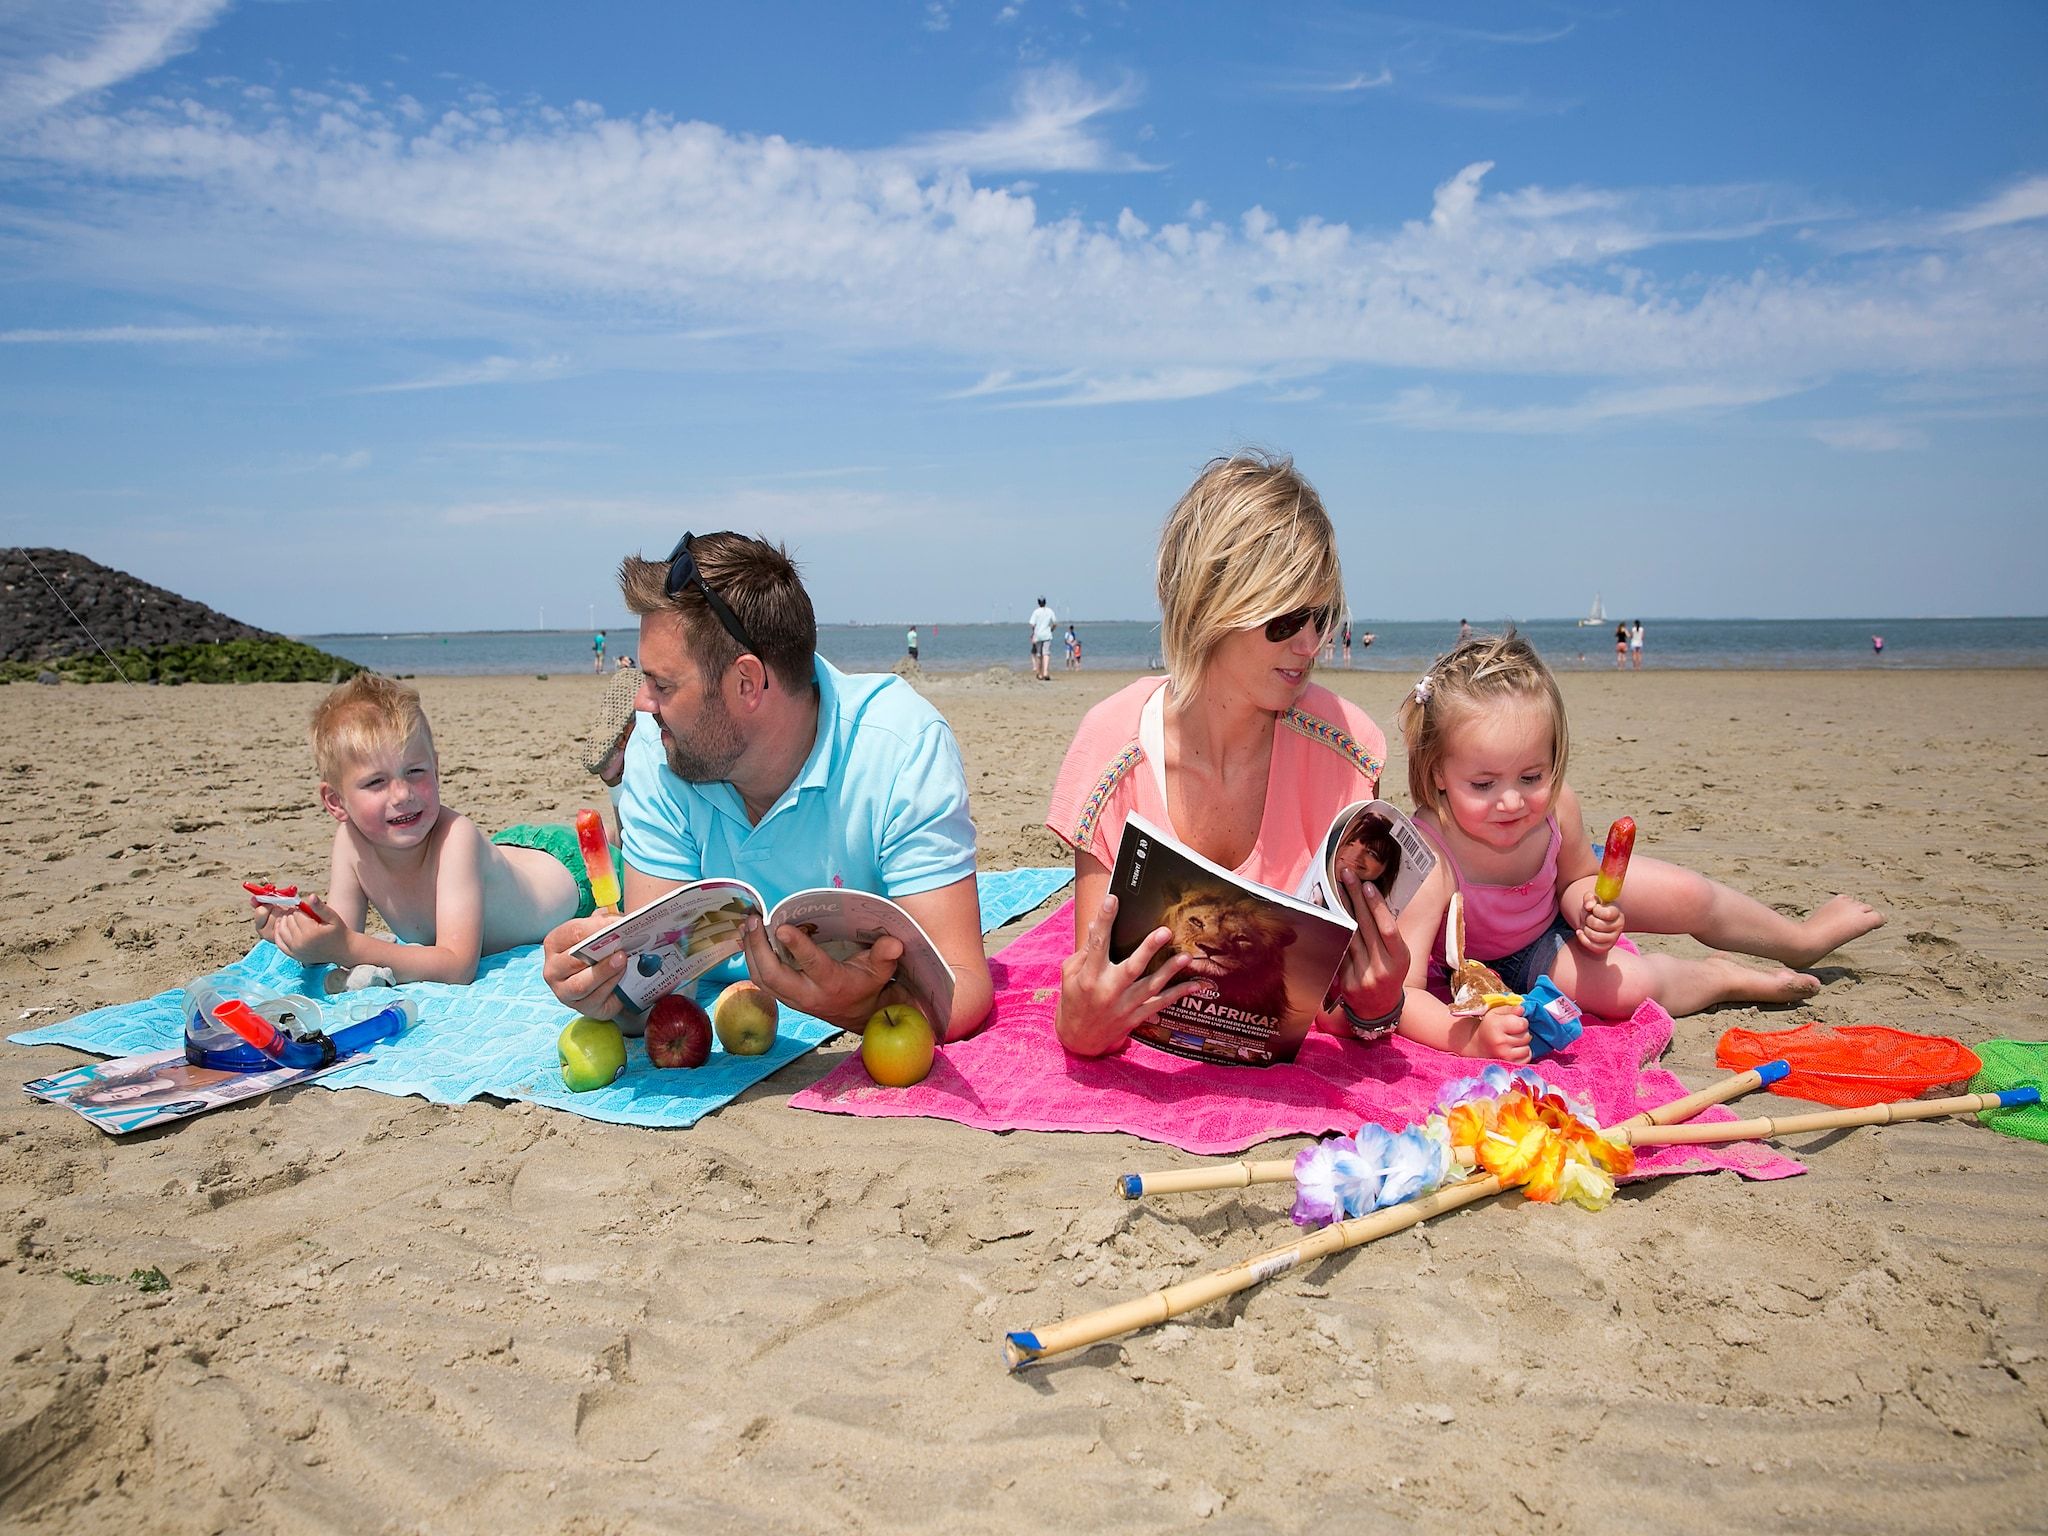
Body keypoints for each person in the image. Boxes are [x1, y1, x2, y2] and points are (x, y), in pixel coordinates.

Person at [542, 532, 994, 1042]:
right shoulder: (657, 747)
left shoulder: (899, 747)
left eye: (663, 685)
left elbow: (961, 989)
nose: (643, 704)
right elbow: (662, 989)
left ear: (746, 683)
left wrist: (867, 1006)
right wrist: (610, 993)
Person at [1044, 452, 1409, 1057]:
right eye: (1286, 619)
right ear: (1212, 604)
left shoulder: (1346, 752)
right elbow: (1094, 981)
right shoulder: (1114, 750)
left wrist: (1374, 1008)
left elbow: (1331, 1014)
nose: (1311, 643)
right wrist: (1081, 1028)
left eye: (1322, 617)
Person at [1389, 630, 1884, 1060]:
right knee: (1630, 988)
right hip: (1512, 954)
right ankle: (1719, 979)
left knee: (1689, 895)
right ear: (1438, 774)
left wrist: (1586, 905)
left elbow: (1579, 872)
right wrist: (1470, 1039)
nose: (1513, 801)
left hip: (1562, 894)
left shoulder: (1558, 805)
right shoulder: (1431, 855)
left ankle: (1798, 941)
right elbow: (1403, 992)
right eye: (1483, 785)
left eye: (1532, 775)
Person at [253, 674, 585, 985]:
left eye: (415, 771)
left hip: (571, 871)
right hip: (501, 859)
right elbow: (340, 933)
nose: (402, 794)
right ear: (336, 801)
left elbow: (457, 966)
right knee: (496, 861)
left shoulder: (456, 837)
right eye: (376, 782)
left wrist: (349, 948)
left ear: (436, 768)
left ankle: (614, 787)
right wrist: (293, 932)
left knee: (610, 846)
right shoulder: (351, 842)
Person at [1029, 596, 1057, 681]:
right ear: (1045, 602)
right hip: (1047, 634)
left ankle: (1039, 673)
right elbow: (1055, 623)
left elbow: (1032, 624)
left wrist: (1034, 631)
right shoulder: (1050, 611)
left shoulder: (1036, 612)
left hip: (1038, 635)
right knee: (1046, 654)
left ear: (1038, 603)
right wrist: (1051, 629)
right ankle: (1045, 672)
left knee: (1039, 655)